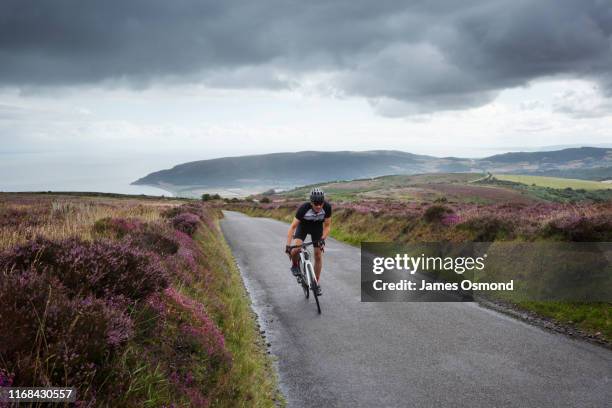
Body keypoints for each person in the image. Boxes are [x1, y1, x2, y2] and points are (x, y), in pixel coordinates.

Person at [285, 187, 332, 296]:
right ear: (311, 202)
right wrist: (288, 246)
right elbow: (292, 227)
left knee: (318, 255)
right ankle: (295, 265)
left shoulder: (327, 207)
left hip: (317, 228)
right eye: (316, 203)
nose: (319, 206)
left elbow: (327, 226)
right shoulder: (303, 208)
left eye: (321, 203)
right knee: (296, 249)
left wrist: (322, 239)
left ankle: (316, 283)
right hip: (303, 227)